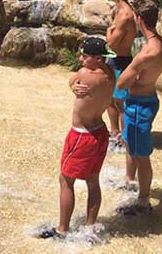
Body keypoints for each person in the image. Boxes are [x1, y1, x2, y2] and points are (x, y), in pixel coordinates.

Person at [39, 37, 116, 240]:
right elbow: (74, 86)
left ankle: (62, 230)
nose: (80, 58)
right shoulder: (109, 73)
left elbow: (72, 81)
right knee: (92, 181)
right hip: (100, 132)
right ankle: (90, 229)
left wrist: (73, 86)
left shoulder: (85, 75)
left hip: (82, 136)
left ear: (98, 58)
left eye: (84, 55)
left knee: (65, 180)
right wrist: (73, 87)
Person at [115, 0, 162, 215]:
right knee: (130, 144)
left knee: (142, 155)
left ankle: (144, 201)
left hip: (139, 106)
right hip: (145, 99)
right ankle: (129, 181)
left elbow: (121, 83)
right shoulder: (161, 43)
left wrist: (132, 69)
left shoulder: (146, 54)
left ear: (139, 19)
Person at [105, 0, 137, 153]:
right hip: (116, 60)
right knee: (110, 99)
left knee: (120, 103)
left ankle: (124, 141)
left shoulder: (124, 15)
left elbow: (111, 43)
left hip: (121, 62)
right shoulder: (121, 11)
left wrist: (108, 31)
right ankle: (114, 133)